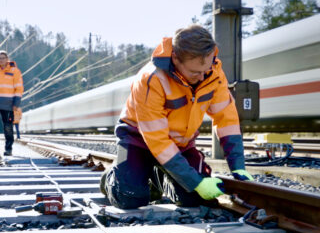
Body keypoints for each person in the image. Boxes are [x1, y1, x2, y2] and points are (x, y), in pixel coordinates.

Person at [101, 25, 254, 209]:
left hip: (179, 144)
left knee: (197, 199)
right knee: (130, 197)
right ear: (175, 59)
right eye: (194, 72)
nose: (202, 77)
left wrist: (238, 165)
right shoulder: (151, 79)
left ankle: (157, 177)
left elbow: (226, 119)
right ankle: (112, 177)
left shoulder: (213, 73)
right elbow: (158, 140)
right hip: (138, 140)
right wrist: (195, 181)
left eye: (205, 69)